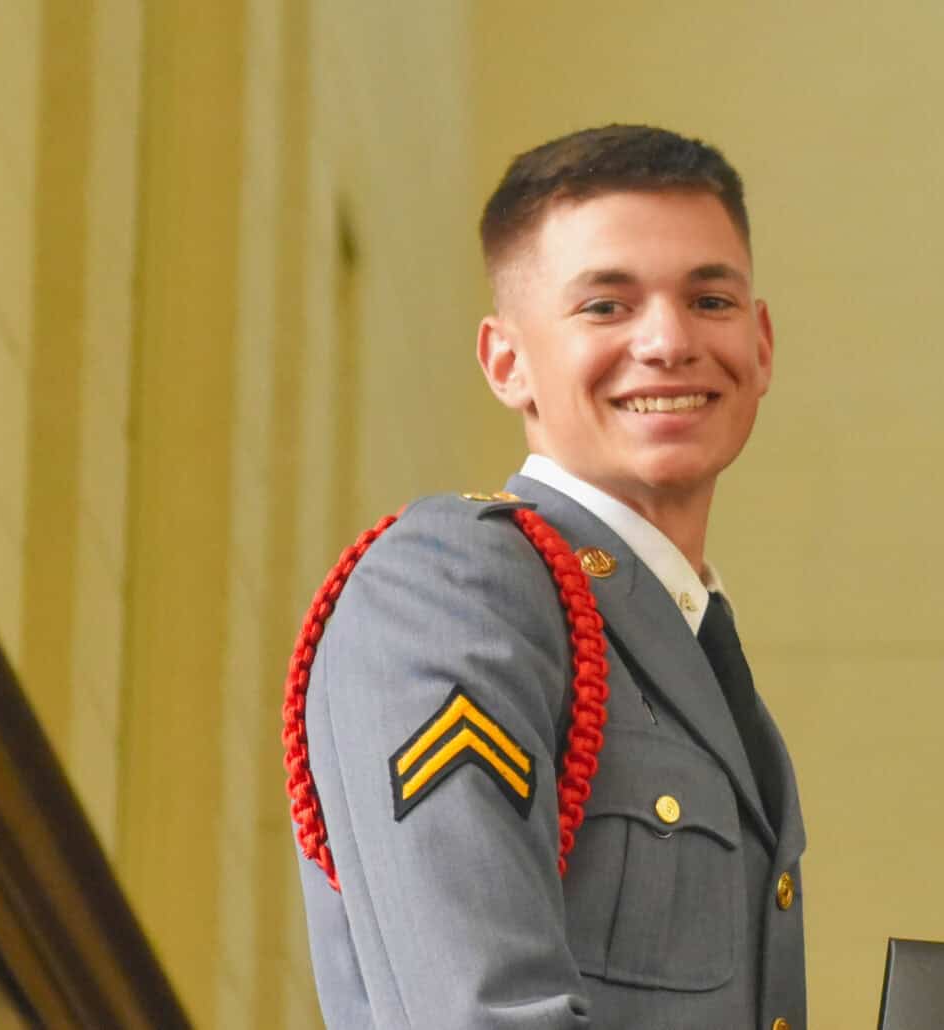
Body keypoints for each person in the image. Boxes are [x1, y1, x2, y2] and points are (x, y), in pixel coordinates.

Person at [288, 125, 805, 1030]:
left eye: (710, 299)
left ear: (761, 345)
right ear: (507, 361)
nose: (669, 341)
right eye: (606, 306)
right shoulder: (458, 585)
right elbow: (480, 1013)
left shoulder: (695, 656)